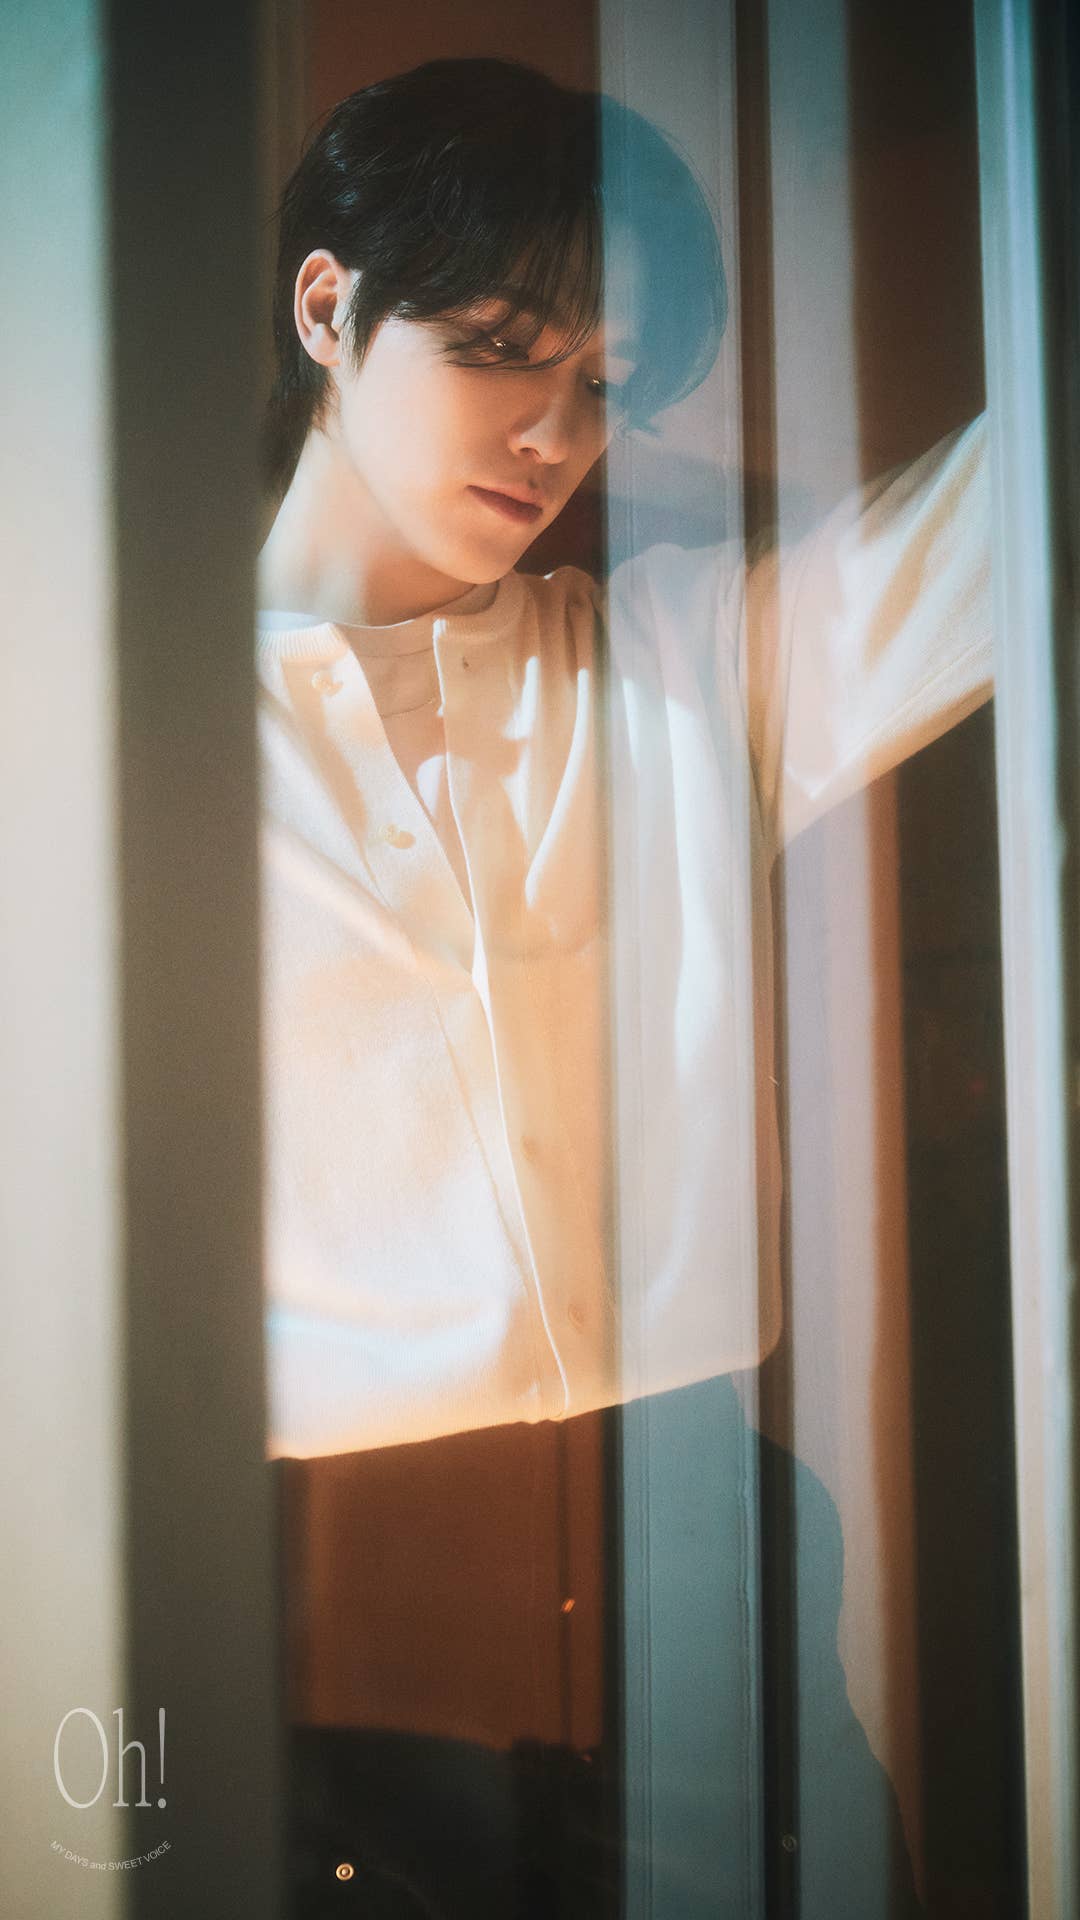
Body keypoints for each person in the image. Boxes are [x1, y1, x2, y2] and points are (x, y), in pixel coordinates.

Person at [257, 57, 988, 1916]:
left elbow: (1006, 520)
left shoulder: (676, 666)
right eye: (503, 347)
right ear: (330, 308)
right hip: (313, 1609)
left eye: (606, 381)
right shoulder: (110, 726)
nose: (555, 431)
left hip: (705, 1564)